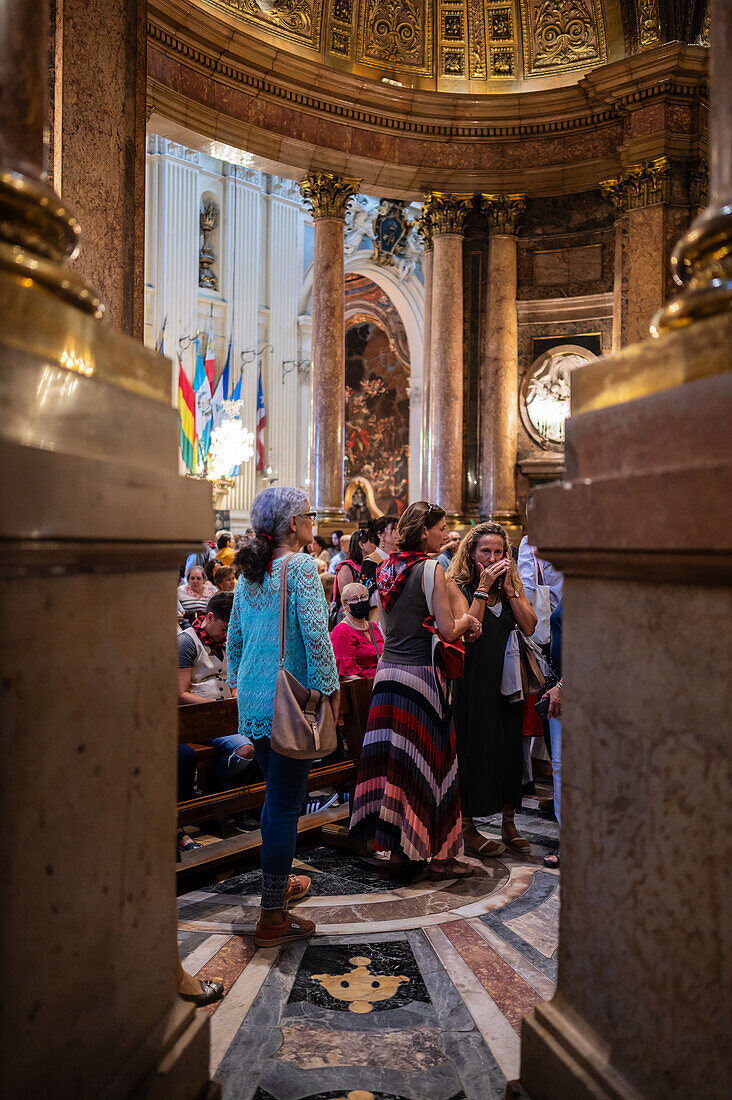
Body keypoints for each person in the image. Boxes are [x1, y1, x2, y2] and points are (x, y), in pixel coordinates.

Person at [227, 486, 340, 947]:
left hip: (254, 701)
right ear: (293, 524)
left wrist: (241, 686)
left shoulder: (250, 573)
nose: (313, 522)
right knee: (284, 807)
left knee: (275, 802)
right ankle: (272, 916)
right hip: (289, 701)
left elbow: (233, 641)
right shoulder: (299, 568)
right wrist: (331, 694)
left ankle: (279, 884)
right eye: (309, 515)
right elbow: (316, 637)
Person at [350, 501, 480, 879]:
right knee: (432, 762)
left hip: (388, 675)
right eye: (441, 528)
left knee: (396, 764)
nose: (445, 534)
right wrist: (472, 615)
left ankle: (399, 850)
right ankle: (437, 854)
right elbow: (448, 628)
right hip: (421, 676)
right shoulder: (430, 569)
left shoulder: (388, 566)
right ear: (424, 531)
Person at [446, 522, 537, 857]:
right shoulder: (456, 584)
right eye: (486, 551)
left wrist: (511, 590)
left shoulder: (512, 584)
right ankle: (467, 825)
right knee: (475, 746)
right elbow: (469, 631)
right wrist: (483, 588)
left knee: (511, 746)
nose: (493, 557)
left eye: (500, 552)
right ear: (471, 552)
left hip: (509, 680)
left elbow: (529, 625)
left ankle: (508, 822)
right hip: (473, 679)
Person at [177, 591, 255, 789]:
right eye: (224, 628)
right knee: (245, 749)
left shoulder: (227, 642)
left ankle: (243, 804)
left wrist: (235, 695)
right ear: (209, 617)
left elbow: (232, 679)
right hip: (198, 718)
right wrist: (215, 707)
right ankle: (212, 796)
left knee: (267, 737)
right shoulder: (187, 642)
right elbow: (179, 694)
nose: (227, 635)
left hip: (225, 715)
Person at [331, 582, 384, 678]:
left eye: (363, 597)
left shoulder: (373, 626)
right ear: (345, 605)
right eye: (354, 599)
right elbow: (346, 675)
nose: (360, 601)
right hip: (362, 686)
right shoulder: (341, 632)